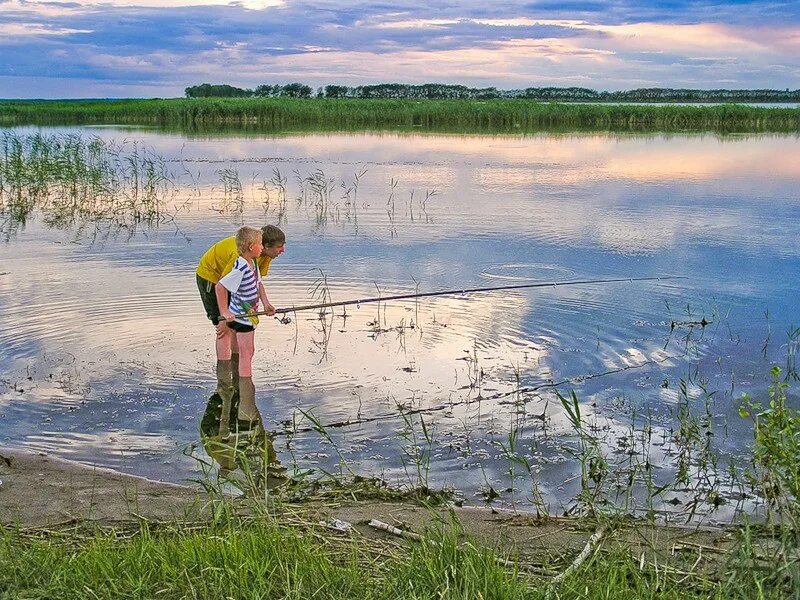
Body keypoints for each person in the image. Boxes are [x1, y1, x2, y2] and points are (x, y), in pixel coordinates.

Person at [196, 225, 285, 405]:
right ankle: (224, 382)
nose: (282, 250)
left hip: (230, 284)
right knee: (224, 330)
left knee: (238, 330)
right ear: (261, 246)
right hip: (212, 278)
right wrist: (223, 315)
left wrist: (263, 304)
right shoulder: (239, 259)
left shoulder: (260, 256)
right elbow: (222, 285)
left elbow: (254, 283)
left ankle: (239, 380)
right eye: (278, 247)